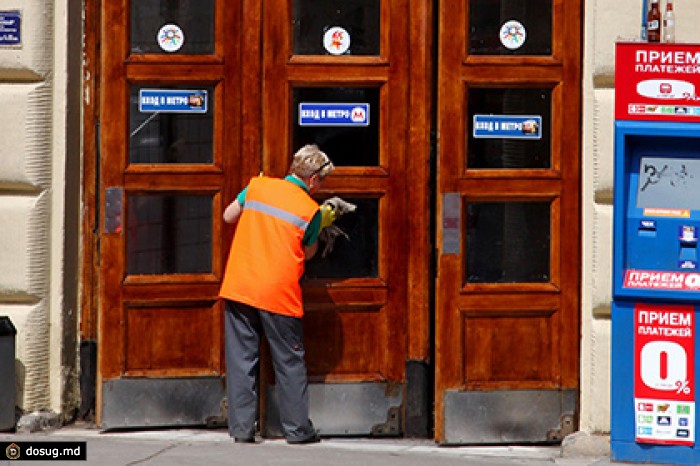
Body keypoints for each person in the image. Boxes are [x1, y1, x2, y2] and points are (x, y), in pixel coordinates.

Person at [219, 144, 336, 444]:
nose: (321, 187)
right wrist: (322, 224)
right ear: (312, 180)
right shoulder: (310, 210)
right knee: (289, 361)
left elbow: (228, 216)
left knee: (241, 360)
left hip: (241, 285)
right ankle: (297, 430)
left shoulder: (258, 186)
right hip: (277, 292)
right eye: (322, 181)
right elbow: (308, 253)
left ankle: (242, 430)